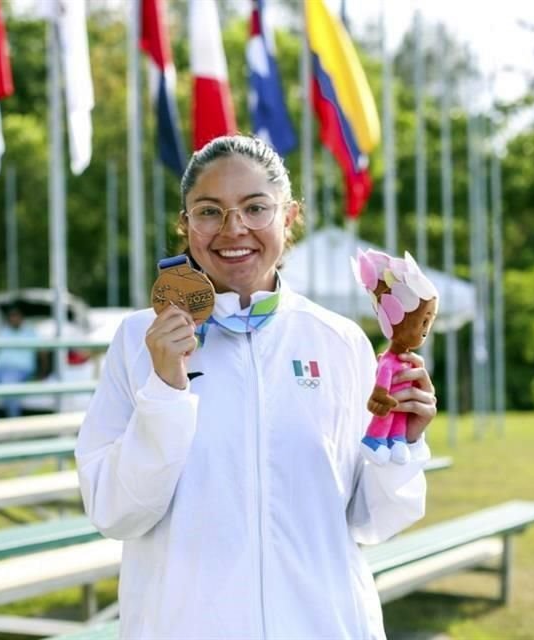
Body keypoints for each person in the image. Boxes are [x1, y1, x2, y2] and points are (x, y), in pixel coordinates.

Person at [75, 135, 438, 639]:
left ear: (289, 218)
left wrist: (402, 438)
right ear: (185, 224)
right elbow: (115, 512)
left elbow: (373, 520)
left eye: (255, 208)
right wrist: (164, 390)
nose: (233, 229)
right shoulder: (139, 341)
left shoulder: (338, 341)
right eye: (209, 211)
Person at [0, 303, 38, 417]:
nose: (13, 318)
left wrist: (41, 374)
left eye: (16, 315)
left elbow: (43, 354)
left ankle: (14, 426)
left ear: (21, 317)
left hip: (18, 370)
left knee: (8, 389)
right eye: (11, 315)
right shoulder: (4, 331)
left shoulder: (30, 332)